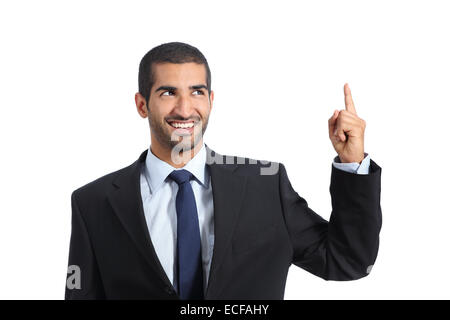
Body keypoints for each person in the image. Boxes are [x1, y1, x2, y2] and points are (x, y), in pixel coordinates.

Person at [65, 42, 382, 300]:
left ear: (211, 100)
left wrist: (353, 163)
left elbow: (348, 261)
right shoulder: (93, 202)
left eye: (196, 92)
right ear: (142, 104)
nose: (185, 109)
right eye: (168, 92)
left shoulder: (265, 186)